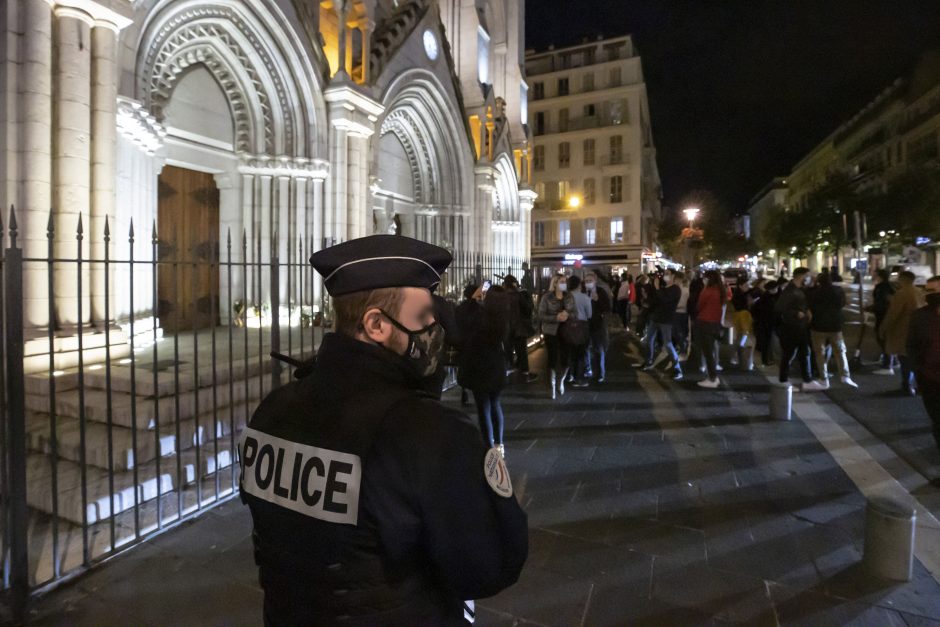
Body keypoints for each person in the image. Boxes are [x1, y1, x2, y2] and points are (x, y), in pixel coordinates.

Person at [241, 234, 528, 625]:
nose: (436, 330)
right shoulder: (429, 434)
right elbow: (490, 563)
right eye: (424, 317)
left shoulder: (273, 410)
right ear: (376, 324)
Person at [457, 285, 512, 458]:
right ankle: (499, 444)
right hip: (496, 366)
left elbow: (460, 315)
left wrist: (473, 300)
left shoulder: (479, 316)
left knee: (483, 408)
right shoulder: (503, 317)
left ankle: (489, 446)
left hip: (479, 367)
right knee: (495, 403)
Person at [907, 276, 940, 476]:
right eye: (929, 292)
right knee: (937, 422)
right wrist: (918, 370)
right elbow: (912, 345)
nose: (932, 296)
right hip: (931, 379)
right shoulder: (920, 316)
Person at [774, 267, 826, 391]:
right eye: (808, 276)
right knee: (789, 353)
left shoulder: (800, 289)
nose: (809, 278)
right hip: (792, 327)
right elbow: (779, 308)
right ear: (801, 276)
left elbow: (803, 302)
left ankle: (807, 380)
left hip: (801, 326)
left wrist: (806, 310)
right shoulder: (790, 290)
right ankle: (783, 380)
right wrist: (796, 313)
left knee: (805, 352)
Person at [808, 271, 857, 388]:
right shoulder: (838, 290)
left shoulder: (814, 293)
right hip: (835, 325)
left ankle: (823, 379)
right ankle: (845, 376)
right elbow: (842, 303)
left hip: (818, 326)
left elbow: (810, 308)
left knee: (820, 353)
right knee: (840, 351)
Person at [880, 270, 926, 395]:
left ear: (904, 279)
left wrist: (883, 328)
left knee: (905, 359)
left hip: (903, 330)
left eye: (899, 278)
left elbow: (893, 314)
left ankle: (907, 386)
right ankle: (918, 385)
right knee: (915, 359)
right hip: (919, 330)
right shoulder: (919, 292)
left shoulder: (902, 294)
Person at [538, 273, 577, 399]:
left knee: (566, 358)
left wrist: (567, 315)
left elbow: (575, 313)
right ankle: (552, 385)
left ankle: (561, 380)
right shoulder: (547, 297)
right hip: (551, 331)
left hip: (566, 330)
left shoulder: (569, 296)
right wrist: (556, 318)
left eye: (565, 281)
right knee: (552, 358)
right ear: (555, 283)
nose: (564, 284)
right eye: (561, 281)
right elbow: (540, 315)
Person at [641, 272, 683, 380]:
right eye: (665, 274)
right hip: (655, 317)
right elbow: (656, 300)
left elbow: (665, 299)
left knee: (668, 344)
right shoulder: (662, 288)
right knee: (649, 339)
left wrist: (657, 287)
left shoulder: (675, 289)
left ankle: (677, 369)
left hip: (666, 320)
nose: (665, 276)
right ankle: (648, 361)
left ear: (673, 277)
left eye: (668, 274)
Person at [503, 274, 537, 383]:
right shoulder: (519, 295)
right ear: (514, 284)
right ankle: (525, 372)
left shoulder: (503, 296)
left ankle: (509, 369)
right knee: (521, 351)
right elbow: (528, 309)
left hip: (507, 328)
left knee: (508, 350)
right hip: (519, 327)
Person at [694, 270, 725, 388]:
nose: (703, 279)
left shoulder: (708, 291)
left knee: (707, 352)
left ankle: (712, 378)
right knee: (710, 351)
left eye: (705, 277)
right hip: (715, 324)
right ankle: (713, 377)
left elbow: (699, 305)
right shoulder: (720, 290)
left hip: (705, 323)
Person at [584, 270, 612, 383]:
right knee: (586, 348)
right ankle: (588, 369)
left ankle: (600, 373)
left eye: (590, 281)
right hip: (585, 325)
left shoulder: (601, 292)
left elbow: (607, 308)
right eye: (586, 281)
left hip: (597, 325)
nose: (588, 283)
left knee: (598, 349)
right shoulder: (582, 292)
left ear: (595, 281)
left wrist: (597, 300)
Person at [567, 274, 593, 387]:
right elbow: (589, 315)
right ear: (579, 285)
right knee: (580, 354)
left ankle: (569, 375)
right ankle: (578, 378)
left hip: (567, 326)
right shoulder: (585, 298)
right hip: (582, 327)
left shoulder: (565, 297)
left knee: (569, 353)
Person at [870, 269, 897, 374]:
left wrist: (871, 308)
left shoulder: (881, 288)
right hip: (889, 315)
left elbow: (881, 303)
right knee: (888, 338)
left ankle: (887, 365)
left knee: (883, 339)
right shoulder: (891, 286)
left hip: (883, 316)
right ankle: (893, 360)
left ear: (879, 276)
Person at [752, 280, 779, 367]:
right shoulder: (767, 299)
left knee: (766, 343)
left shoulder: (765, 297)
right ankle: (766, 360)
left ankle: (767, 360)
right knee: (767, 343)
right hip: (766, 324)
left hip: (764, 323)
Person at [730, 278, 755, 370]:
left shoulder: (739, 294)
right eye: (746, 285)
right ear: (740, 286)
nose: (748, 286)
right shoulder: (742, 296)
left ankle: (735, 355)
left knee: (739, 338)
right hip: (743, 317)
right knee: (743, 337)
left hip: (739, 317)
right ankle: (738, 354)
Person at [672, 272, 691, 360]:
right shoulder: (685, 290)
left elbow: (683, 303)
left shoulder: (683, 290)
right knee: (680, 332)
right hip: (681, 313)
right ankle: (682, 348)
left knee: (679, 333)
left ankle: (683, 351)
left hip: (679, 313)